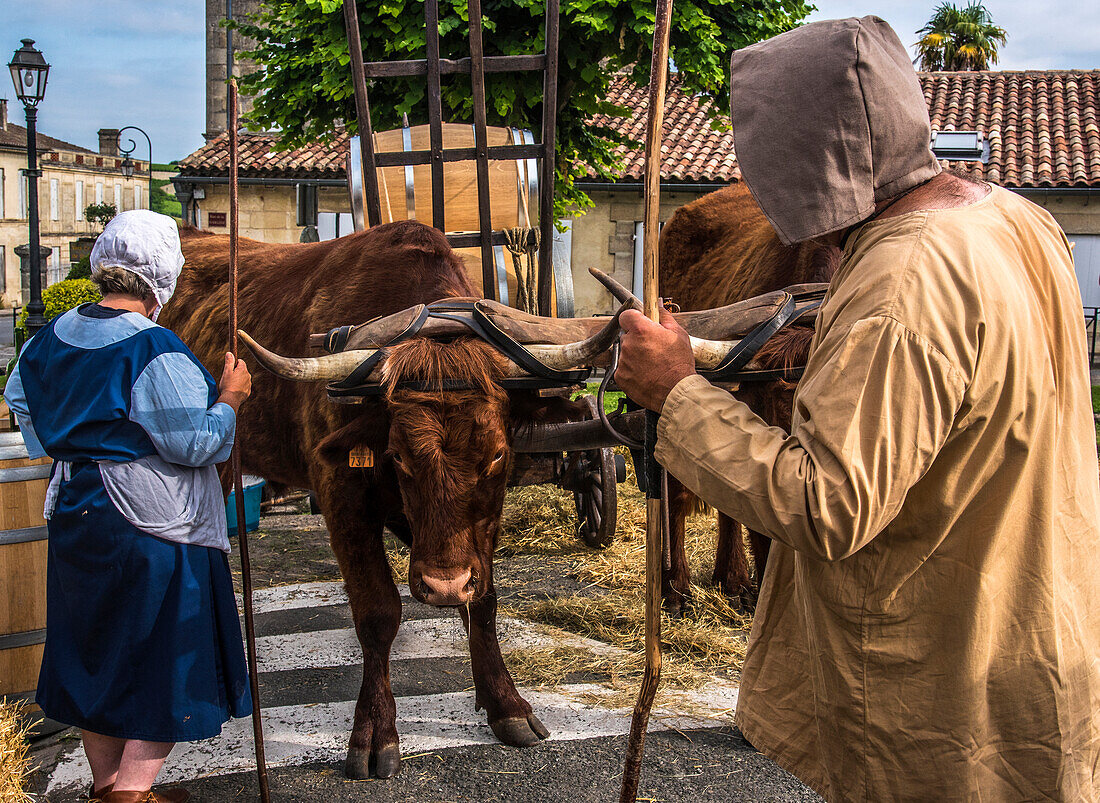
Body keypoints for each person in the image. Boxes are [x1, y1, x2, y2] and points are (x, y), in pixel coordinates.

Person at [615, 17, 1100, 802]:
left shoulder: (901, 283)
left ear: (807, 156)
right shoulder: (1018, 220)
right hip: (1039, 633)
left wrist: (677, 393)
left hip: (942, 683)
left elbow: (826, 501)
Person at [4, 210, 254, 803]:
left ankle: (107, 784)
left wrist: (77, 447)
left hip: (75, 508)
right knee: (161, 650)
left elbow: (23, 406)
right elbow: (195, 443)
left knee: (97, 650)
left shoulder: (48, 338)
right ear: (162, 276)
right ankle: (131, 794)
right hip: (152, 521)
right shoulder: (154, 348)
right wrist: (231, 400)